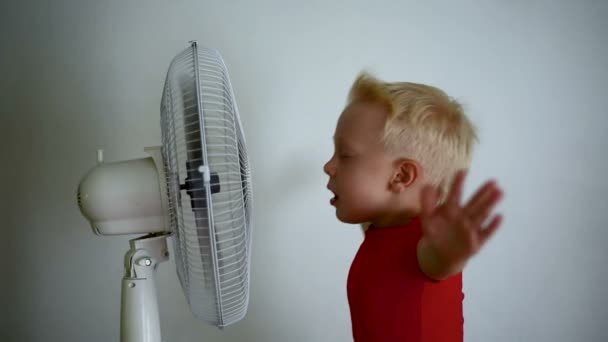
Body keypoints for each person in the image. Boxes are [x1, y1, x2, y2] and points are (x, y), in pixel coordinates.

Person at [323, 72, 504, 342]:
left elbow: (439, 260)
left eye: (345, 155)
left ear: (401, 177)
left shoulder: (426, 245)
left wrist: (453, 252)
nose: (329, 166)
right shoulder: (383, 228)